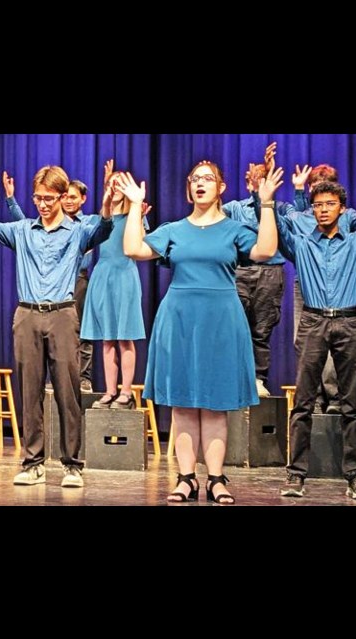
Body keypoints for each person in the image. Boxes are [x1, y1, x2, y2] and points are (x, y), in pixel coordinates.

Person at [0, 166, 112, 488]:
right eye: (38, 198)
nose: (42, 204)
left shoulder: (78, 231)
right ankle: (33, 462)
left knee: (68, 392)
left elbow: (104, 229)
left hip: (62, 314)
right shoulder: (23, 230)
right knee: (29, 392)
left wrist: (109, 205)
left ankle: (72, 465)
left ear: (61, 197)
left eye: (49, 198)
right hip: (27, 314)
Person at [122, 162, 281, 504]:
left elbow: (265, 251)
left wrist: (266, 204)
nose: (200, 184)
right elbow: (134, 249)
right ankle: (186, 478)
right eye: (194, 179)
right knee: (182, 404)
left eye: (207, 179)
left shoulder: (233, 229)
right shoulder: (174, 229)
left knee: (214, 405)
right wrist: (135, 206)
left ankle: (216, 479)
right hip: (180, 319)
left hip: (221, 320)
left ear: (221, 187)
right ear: (187, 188)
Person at [278, 152, 356, 501]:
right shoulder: (302, 245)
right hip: (314, 320)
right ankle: (296, 475)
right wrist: (266, 197)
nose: (323, 210)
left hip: (348, 321)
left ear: (342, 209)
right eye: (317, 205)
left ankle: (355, 478)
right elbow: (275, 225)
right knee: (303, 403)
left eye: (330, 204)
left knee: (351, 405)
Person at [282, 139, 356, 411]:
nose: (323, 207)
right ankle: (316, 401)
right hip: (309, 286)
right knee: (305, 344)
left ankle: (334, 398)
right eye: (315, 184)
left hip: (338, 289)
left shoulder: (346, 217)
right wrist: (298, 190)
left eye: (326, 183)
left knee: (337, 345)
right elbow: (293, 225)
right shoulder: (305, 213)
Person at [3, 168, 103, 392]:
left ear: (81, 199)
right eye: (66, 197)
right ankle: (51, 376)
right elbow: (26, 229)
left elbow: (103, 227)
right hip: (48, 287)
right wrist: (11, 200)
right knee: (48, 333)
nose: (68, 201)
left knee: (80, 329)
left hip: (77, 280)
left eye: (72, 197)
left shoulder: (83, 225)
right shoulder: (46, 222)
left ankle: (82, 376)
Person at [80, 168, 147, 409]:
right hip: (103, 276)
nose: (116, 187)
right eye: (112, 183)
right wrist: (106, 198)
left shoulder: (134, 215)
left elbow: (139, 245)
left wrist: (138, 214)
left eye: (121, 184)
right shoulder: (103, 216)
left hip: (124, 277)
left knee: (124, 338)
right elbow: (104, 217)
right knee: (107, 339)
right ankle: (109, 391)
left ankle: (126, 392)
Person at [222, 143, 285, 397]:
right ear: (248, 183)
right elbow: (211, 217)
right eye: (254, 180)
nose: (258, 184)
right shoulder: (234, 208)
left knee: (261, 329)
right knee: (235, 327)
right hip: (241, 272)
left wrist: (266, 189)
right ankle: (233, 377)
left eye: (263, 179)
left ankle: (258, 378)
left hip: (269, 272)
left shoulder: (281, 209)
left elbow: (265, 212)